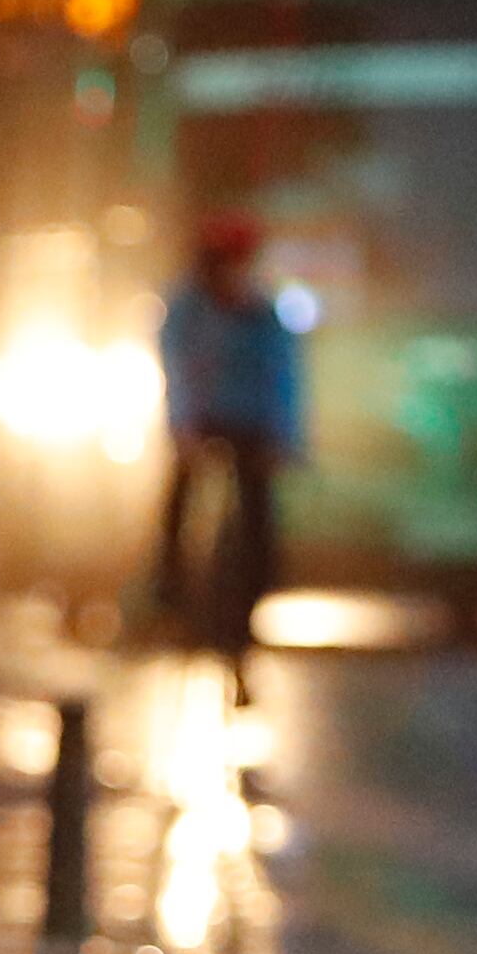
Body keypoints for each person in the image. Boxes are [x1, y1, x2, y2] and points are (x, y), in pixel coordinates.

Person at [154, 215, 303, 656]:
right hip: (201, 422)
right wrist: (181, 429)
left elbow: (284, 378)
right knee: (179, 496)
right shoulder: (184, 309)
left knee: (258, 509)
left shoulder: (263, 312)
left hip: (252, 426)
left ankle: (258, 594)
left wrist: (284, 438)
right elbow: (175, 371)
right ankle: (170, 590)